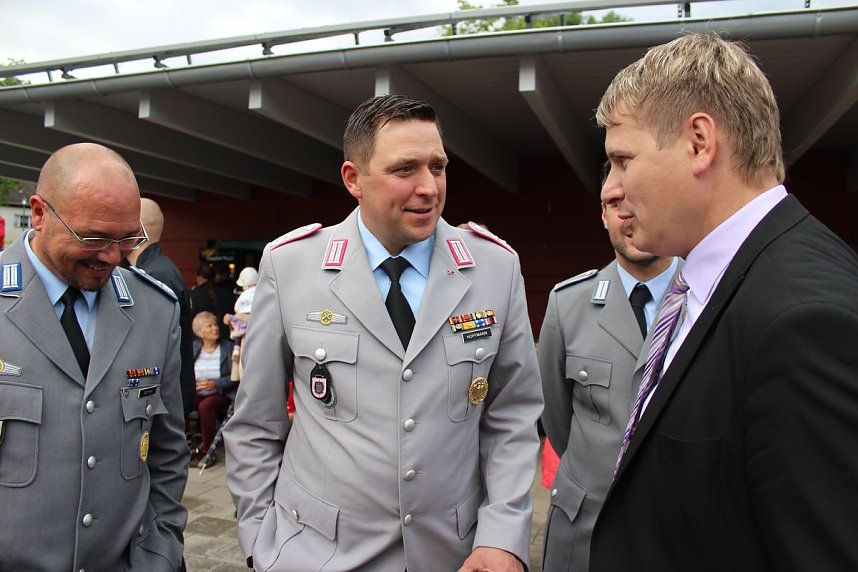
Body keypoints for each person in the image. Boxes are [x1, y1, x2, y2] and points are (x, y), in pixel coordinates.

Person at [224, 94, 543, 572]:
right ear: (354, 179)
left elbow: (512, 419)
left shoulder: (495, 266)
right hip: (315, 555)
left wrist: (503, 537)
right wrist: (260, 542)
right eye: (405, 169)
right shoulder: (290, 264)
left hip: (456, 555)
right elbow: (255, 424)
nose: (429, 188)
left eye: (437, 167)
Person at [591, 33, 858, 571]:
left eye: (622, 160)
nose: (611, 189)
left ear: (698, 143)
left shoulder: (804, 319)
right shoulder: (712, 280)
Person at [0, 142, 188, 570]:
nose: (111, 256)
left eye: (126, 239)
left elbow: (168, 449)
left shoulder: (155, 311)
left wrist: (160, 550)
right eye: (94, 237)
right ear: (40, 212)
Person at [538, 189, 678, 571]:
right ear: (603, 214)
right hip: (586, 529)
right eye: (615, 203)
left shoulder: (708, 294)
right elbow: (555, 416)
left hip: (678, 531)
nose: (629, 213)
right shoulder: (568, 304)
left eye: (643, 197)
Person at [126, 197, 197, 420]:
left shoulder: (155, 275)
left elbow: (150, 351)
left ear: (136, 228)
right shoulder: (158, 269)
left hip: (159, 402)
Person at [191, 311, 236, 468]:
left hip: (220, 393)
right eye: (209, 326)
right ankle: (187, 444)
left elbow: (235, 377)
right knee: (180, 401)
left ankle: (207, 451)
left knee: (205, 406)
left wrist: (215, 384)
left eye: (215, 324)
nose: (215, 328)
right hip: (197, 391)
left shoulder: (228, 348)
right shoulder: (194, 348)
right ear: (199, 332)